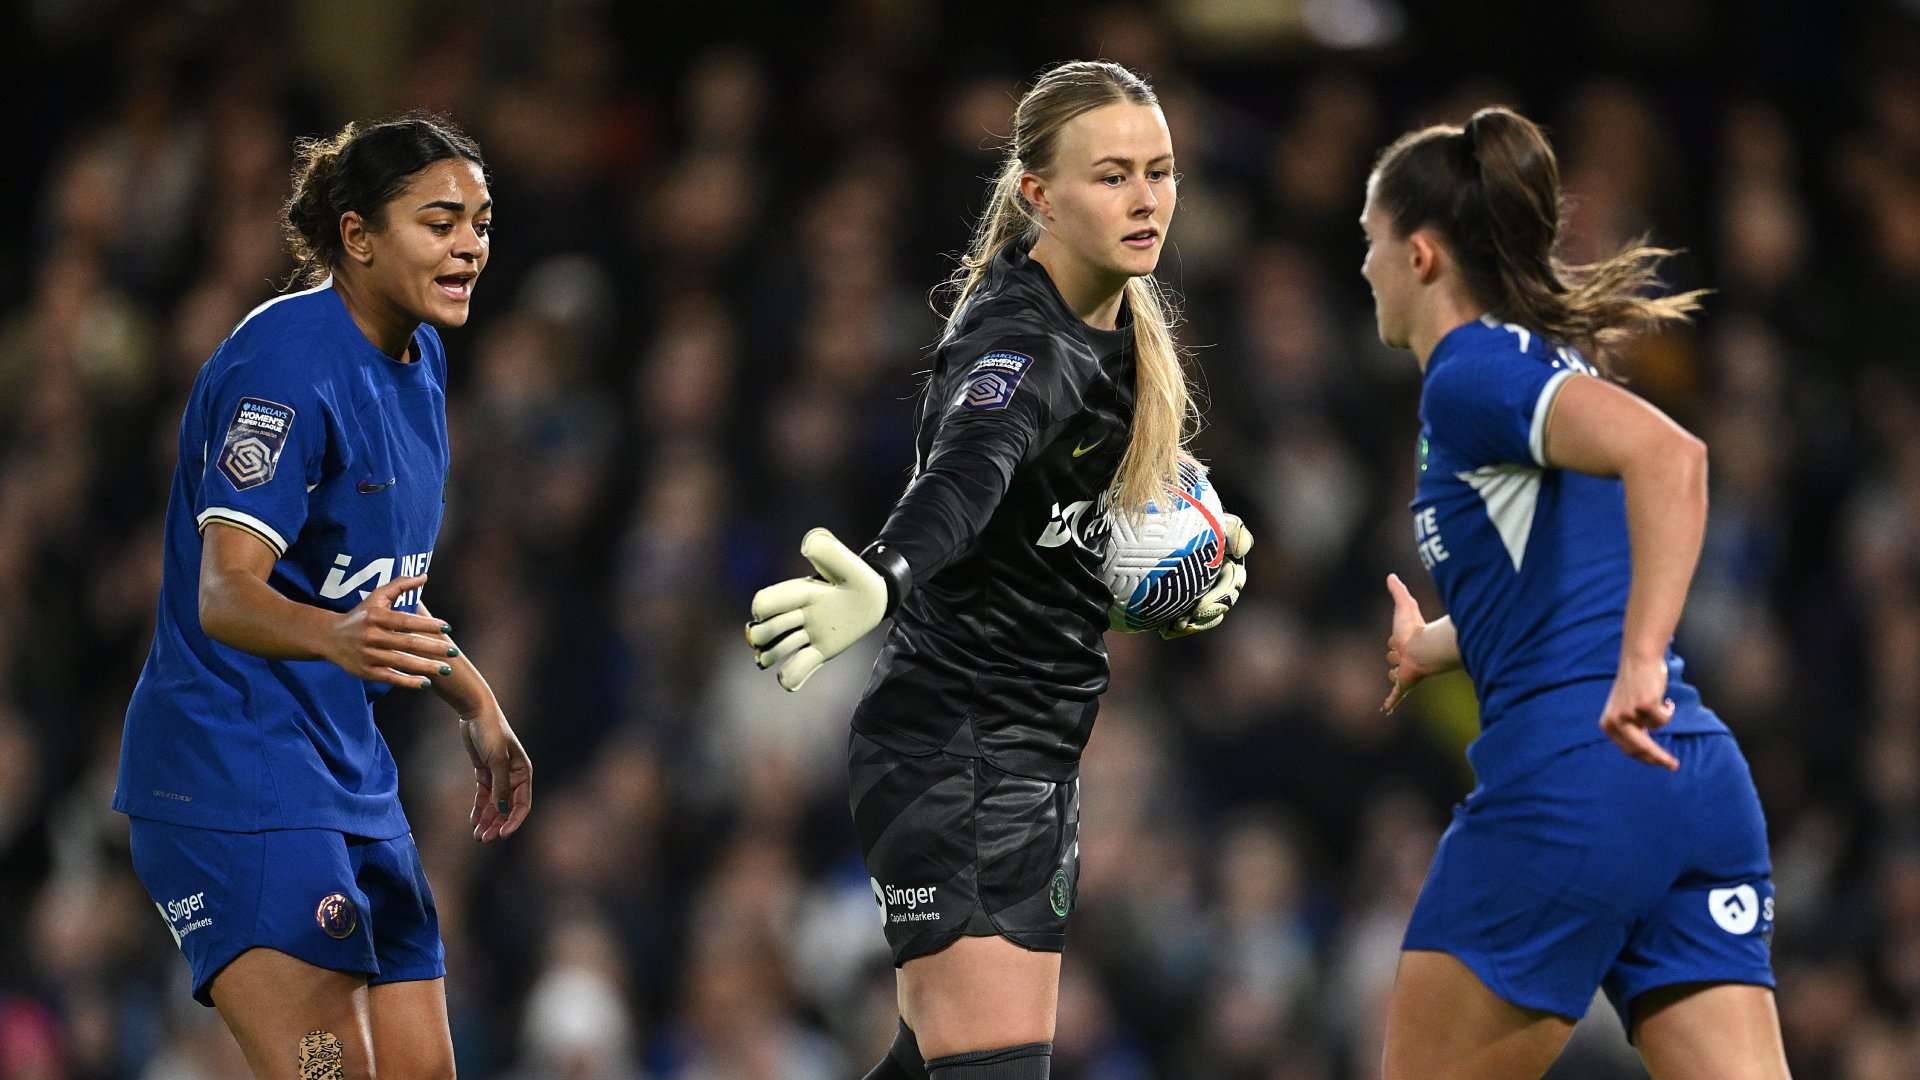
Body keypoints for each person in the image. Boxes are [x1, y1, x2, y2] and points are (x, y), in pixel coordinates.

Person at [744, 61, 1251, 1080]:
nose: (1147, 197)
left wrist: (1176, 586)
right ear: (1038, 195)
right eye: (1112, 175)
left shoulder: (1117, 330)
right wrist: (886, 574)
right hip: (960, 755)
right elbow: (969, 478)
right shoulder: (1019, 344)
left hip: (1026, 754)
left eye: (1160, 171)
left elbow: (1059, 531)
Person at [1362, 106, 1790, 1078]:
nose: (1364, 268)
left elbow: (1671, 458)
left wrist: (1639, 658)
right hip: (1688, 778)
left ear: (1420, 255)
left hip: (1574, 776)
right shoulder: (1535, 368)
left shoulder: (1467, 373)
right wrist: (1440, 641)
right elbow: (1573, 577)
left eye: (1370, 242)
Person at [114, 113, 532, 1080]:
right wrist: (341, 640)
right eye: (439, 221)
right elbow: (227, 592)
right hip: (232, 772)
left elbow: (376, 594)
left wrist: (477, 701)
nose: (469, 244)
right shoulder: (286, 367)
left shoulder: (417, 355)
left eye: (481, 221)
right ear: (357, 235)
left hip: (345, 771)